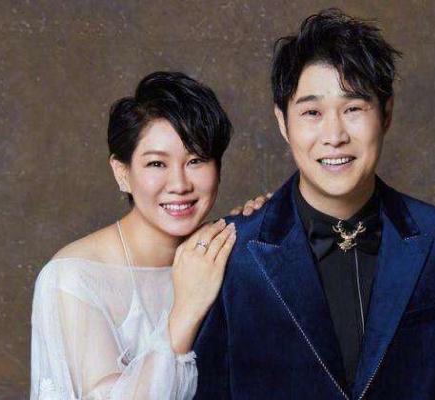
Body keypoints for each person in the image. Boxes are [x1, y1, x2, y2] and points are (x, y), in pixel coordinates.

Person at [194, 9, 435, 399]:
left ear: (386, 114)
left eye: (354, 108)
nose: (334, 135)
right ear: (282, 122)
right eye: (312, 113)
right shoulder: (229, 252)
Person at [30, 71, 268, 399]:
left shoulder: (226, 251)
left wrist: (269, 221)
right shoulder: (73, 278)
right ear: (122, 172)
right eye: (157, 164)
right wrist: (186, 310)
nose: (180, 184)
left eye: (196, 160)